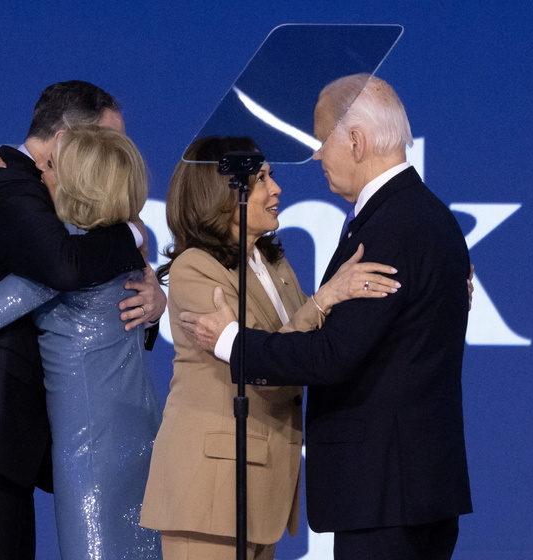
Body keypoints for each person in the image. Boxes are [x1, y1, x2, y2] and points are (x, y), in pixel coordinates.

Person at [178, 75, 473, 559]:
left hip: (384, 490)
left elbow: (333, 355)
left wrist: (231, 341)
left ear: (355, 141)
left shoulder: (391, 226)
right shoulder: (430, 216)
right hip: (417, 485)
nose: (316, 156)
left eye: (321, 141)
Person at [0, 81, 166, 560]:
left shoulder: (59, 216)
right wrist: (131, 231)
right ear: (64, 142)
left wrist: (148, 282)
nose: (116, 153)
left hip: (4, 444)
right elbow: (61, 267)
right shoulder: (3, 182)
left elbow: (77, 272)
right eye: (107, 142)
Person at [139, 136, 402, 560]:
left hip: (261, 483)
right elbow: (262, 358)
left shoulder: (273, 264)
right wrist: (322, 300)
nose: (276, 189)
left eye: (271, 176)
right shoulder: (196, 269)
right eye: (260, 179)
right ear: (222, 192)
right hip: (211, 487)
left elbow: (311, 348)